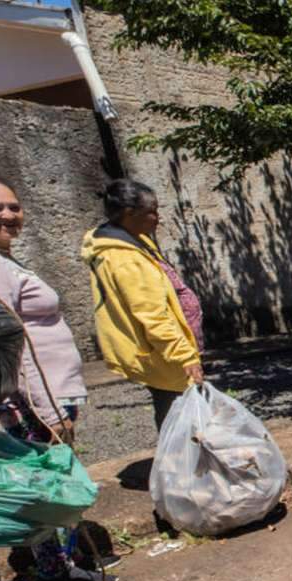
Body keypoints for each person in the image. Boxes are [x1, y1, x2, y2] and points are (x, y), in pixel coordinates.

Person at [0, 161, 115, 581]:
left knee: (52, 480)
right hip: (35, 399)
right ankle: (54, 572)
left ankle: (63, 562)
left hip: (44, 395)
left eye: (14, 206)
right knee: (49, 486)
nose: (9, 215)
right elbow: (10, 340)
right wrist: (47, 411)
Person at [82, 179, 203, 431]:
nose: (157, 218)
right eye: (152, 211)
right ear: (129, 214)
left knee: (178, 407)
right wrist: (184, 355)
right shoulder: (125, 258)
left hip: (169, 347)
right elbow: (151, 314)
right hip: (165, 350)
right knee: (176, 411)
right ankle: (179, 465)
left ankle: (186, 462)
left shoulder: (134, 239)